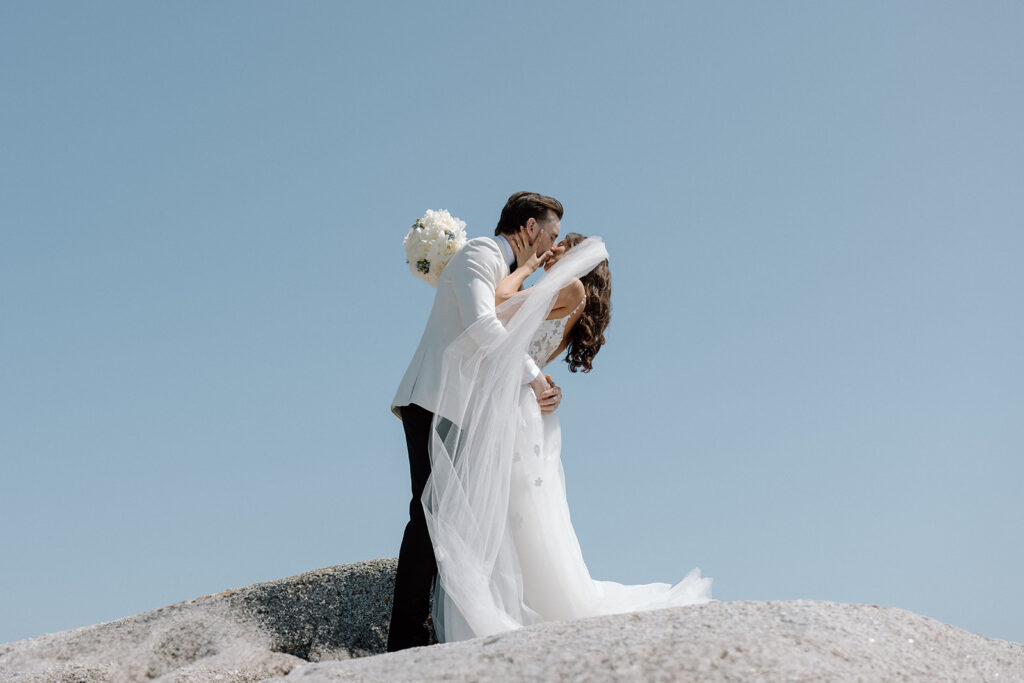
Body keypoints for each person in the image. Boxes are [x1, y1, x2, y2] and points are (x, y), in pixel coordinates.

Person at [420, 227, 713, 644]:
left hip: (514, 407)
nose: (552, 249)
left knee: (501, 507)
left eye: (562, 245)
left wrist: (524, 267)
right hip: (519, 402)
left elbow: (498, 301)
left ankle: (511, 606)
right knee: (512, 510)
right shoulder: (569, 296)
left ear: (577, 259)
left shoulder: (568, 288)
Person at [387, 191, 567, 652]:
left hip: (460, 408)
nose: (552, 245)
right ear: (530, 228)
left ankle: (428, 625)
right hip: (432, 400)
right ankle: (405, 637)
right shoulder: (481, 253)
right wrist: (533, 379)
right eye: (551, 234)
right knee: (428, 515)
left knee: (451, 519)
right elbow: (481, 326)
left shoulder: (505, 272)